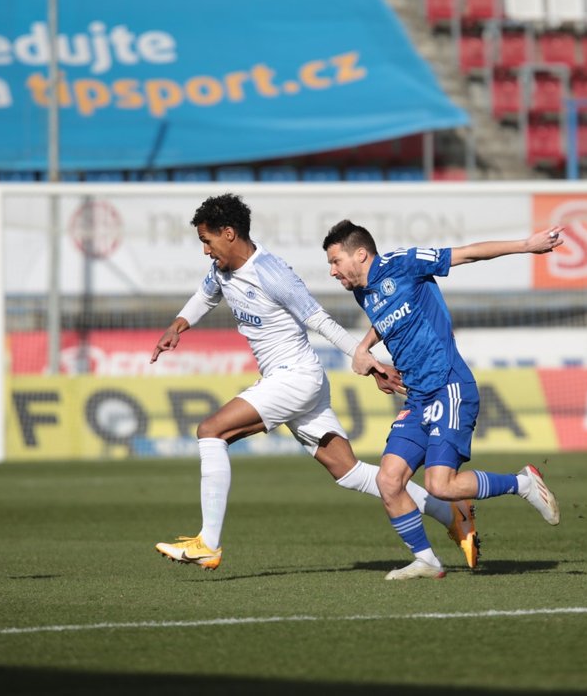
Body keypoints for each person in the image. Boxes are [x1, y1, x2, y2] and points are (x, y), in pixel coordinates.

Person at [152, 193, 478, 572]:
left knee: (210, 432)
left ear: (228, 233)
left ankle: (208, 542)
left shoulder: (271, 273)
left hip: (295, 378)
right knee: (349, 472)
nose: (206, 251)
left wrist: (371, 365)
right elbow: (203, 296)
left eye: (207, 241)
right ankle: (451, 512)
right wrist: (178, 325)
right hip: (295, 382)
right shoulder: (222, 272)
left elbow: (320, 321)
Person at [322, 219, 562, 581]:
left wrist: (527, 245)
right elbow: (387, 318)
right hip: (417, 397)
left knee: (440, 486)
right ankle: (427, 561)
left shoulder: (403, 263)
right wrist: (364, 349)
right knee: (389, 481)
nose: (332, 271)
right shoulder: (364, 292)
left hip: (449, 385)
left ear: (360, 254)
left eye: (336, 261)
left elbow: (467, 255)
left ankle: (523, 483)